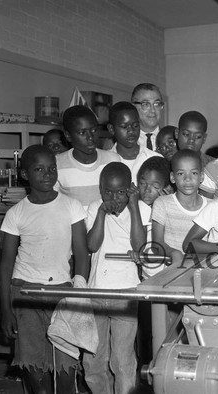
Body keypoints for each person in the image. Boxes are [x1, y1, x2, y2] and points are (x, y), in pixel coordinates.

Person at [0, 145, 89, 394]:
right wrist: (6, 310)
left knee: (66, 370)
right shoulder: (16, 213)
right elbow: (5, 265)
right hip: (25, 294)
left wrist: (79, 291)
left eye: (52, 168)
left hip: (62, 294)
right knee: (36, 373)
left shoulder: (71, 206)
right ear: (25, 174)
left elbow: (82, 254)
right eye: (39, 169)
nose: (48, 174)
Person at [83, 162, 149, 394]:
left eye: (121, 192)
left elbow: (139, 246)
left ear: (130, 189)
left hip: (127, 293)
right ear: (100, 191)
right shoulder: (93, 208)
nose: (114, 198)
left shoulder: (140, 209)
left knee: (122, 360)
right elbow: (92, 244)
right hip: (96, 292)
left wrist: (133, 207)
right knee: (93, 360)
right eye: (107, 192)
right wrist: (101, 212)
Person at [55, 105, 120, 209]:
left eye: (94, 130)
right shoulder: (57, 164)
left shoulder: (113, 160)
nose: (90, 137)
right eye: (82, 133)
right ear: (68, 136)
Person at [151, 149, 208, 264]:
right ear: (172, 177)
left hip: (204, 269)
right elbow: (156, 245)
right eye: (181, 174)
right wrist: (174, 253)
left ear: (201, 176)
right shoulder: (162, 204)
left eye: (194, 173)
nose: (188, 179)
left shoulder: (212, 206)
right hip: (172, 272)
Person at [137, 156, 173, 278]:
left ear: (167, 188)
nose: (147, 190)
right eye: (142, 184)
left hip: (171, 272)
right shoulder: (139, 208)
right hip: (148, 275)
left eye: (155, 187)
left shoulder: (171, 207)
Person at [107, 101, 161, 181]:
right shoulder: (105, 161)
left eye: (135, 125)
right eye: (124, 127)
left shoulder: (155, 159)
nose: (131, 131)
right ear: (111, 129)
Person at [131, 83, 164, 151]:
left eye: (156, 104)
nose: (153, 110)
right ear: (133, 107)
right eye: (146, 104)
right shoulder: (119, 143)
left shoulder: (174, 140)